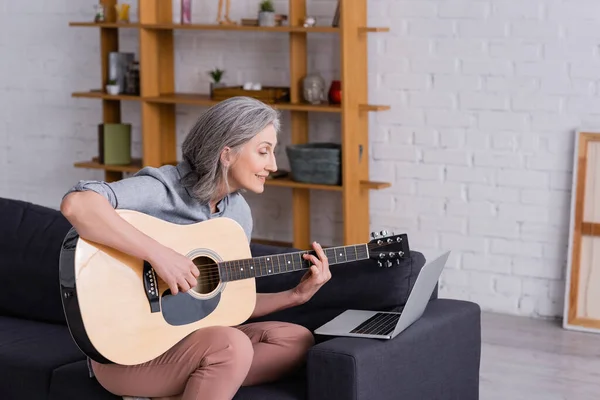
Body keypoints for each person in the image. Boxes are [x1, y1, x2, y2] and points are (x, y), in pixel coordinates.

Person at [60, 96, 332, 400]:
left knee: (296, 340)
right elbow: (77, 204)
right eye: (263, 152)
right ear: (227, 154)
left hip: (191, 340)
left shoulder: (237, 214)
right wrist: (159, 256)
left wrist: (295, 296)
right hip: (126, 352)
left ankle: (192, 385)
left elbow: (227, 303)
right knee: (232, 345)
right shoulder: (163, 189)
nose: (273, 165)